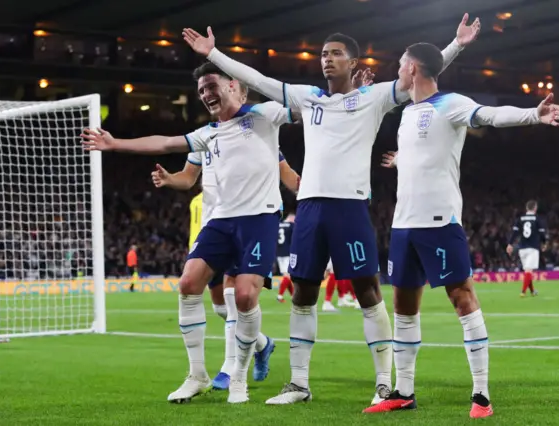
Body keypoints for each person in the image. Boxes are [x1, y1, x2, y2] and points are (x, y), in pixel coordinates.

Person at [181, 13, 480, 406]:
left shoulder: (373, 98)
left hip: (350, 206)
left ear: (353, 63)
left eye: (336, 54)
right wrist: (215, 54)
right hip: (309, 207)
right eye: (324, 54)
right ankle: (300, 384)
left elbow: (420, 73)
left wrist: (456, 45)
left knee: (367, 291)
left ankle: (383, 383)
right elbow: (256, 80)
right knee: (303, 292)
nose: (327, 59)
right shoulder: (307, 97)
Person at [365, 42, 559, 417]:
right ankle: (403, 392)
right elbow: (426, 154)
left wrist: (532, 115)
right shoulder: (407, 113)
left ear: (414, 70)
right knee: (403, 307)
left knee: (462, 298)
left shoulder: (451, 103)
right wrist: (402, 160)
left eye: (401, 65)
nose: (397, 71)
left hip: (440, 222)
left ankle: (481, 396)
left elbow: (489, 115)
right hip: (404, 224)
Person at [82, 62, 296, 404]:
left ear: (233, 85)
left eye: (211, 85)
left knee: (242, 297)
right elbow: (166, 143)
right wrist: (116, 144)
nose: (206, 94)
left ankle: (237, 376)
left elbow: (302, 108)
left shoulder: (263, 116)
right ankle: (197, 374)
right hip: (219, 221)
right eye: (201, 91)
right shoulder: (205, 135)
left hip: (259, 218)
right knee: (187, 285)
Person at [154, 142, 299, 391]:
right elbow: (187, 178)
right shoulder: (204, 139)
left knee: (235, 297)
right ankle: (262, 344)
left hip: (247, 223)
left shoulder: (259, 134)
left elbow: (286, 172)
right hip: (215, 229)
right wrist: (170, 179)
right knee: (220, 305)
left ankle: (229, 369)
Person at [506, 200, 547, 297]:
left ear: (526, 208)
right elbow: (542, 233)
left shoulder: (520, 218)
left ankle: (532, 291)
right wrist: (544, 243)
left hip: (522, 248)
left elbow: (515, 233)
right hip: (532, 248)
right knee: (528, 271)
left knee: (527, 271)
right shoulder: (537, 219)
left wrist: (510, 244)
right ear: (535, 208)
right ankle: (523, 292)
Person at [276, 213, 295, 302]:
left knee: (286, 275)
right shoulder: (291, 226)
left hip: (279, 252)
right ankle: (280, 295)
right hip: (288, 252)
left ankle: (293, 295)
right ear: (292, 218)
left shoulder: (278, 224)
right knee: (288, 276)